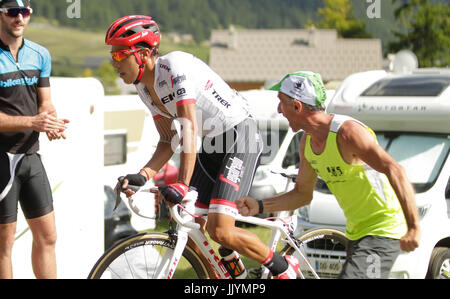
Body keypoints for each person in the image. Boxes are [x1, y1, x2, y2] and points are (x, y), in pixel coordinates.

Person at [106, 15, 299, 278]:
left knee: (221, 229)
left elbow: (189, 129)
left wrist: (182, 184)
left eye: (119, 55)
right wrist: (143, 175)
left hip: (238, 137)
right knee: (193, 226)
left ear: (141, 54)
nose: (114, 62)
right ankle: (234, 275)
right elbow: (167, 140)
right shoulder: (144, 88)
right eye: (112, 55)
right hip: (210, 145)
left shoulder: (174, 68)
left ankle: (284, 268)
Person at [237, 71, 421, 278]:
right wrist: (259, 206)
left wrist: (413, 227)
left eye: (281, 102)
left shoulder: (347, 133)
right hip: (356, 232)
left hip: (383, 230)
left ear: (297, 106)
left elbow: (395, 169)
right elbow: (302, 194)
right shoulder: (307, 143)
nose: (279, 110)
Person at [0, 0, 69, 278]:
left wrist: (50, 121)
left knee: (48, 237)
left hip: (31, 156)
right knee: (4, 244)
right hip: (3, 158)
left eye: (24, 12)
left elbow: (45, 103)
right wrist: (33, 122)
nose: (19, 18)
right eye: (12, 12)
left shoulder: (40, 54)